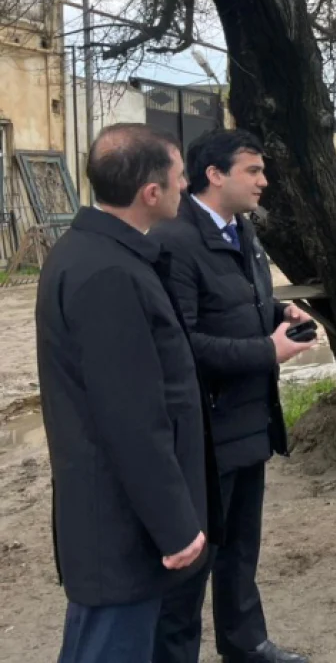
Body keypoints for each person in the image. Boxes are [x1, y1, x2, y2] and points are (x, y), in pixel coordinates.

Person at [36, 124, 214, 663]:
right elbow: (132, 418)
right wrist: (176, 527)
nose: (186, 188)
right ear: (151, 192)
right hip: (120, 526)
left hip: (121, 516)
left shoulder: (98, 254)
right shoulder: (108, 274)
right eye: (181, 178)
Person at [153, 129, 315, 663]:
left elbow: (236, 305)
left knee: (242, 547)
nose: (264, 181)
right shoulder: (176, 240)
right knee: (195, 558)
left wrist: (279, 314)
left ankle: (246, 644)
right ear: (214, 174)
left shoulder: (242, 231)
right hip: (204, 430)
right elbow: (182, 343)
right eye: (253, 170)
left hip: (249, 421)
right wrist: (266, 352)